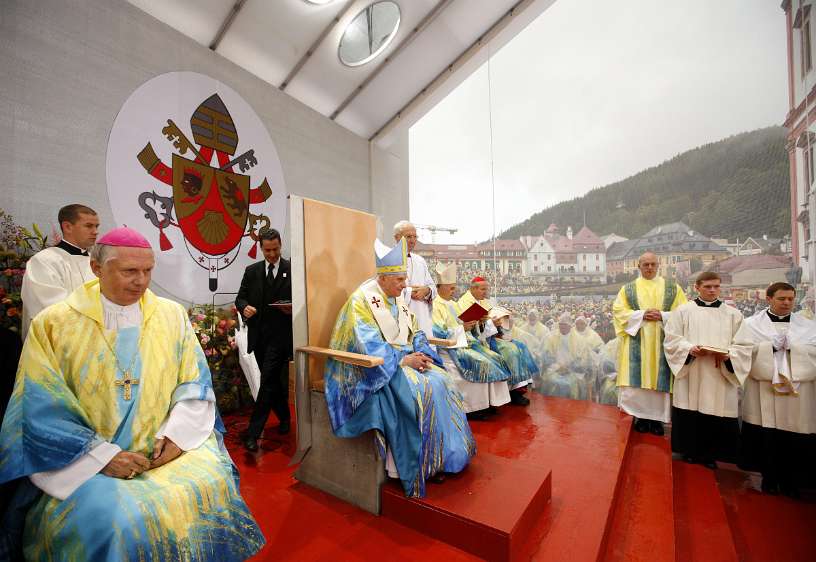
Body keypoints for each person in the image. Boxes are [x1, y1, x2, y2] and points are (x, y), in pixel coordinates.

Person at [0, 227, 264, 561]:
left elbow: (193, 383)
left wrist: (177, 436)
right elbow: (39, 407)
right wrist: (102, 457)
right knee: (120, 523)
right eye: (129, 271)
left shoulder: (170, 315)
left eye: (148, 271)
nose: (141, 282)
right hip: (83, 460)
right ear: (97, 268)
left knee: (214, 483)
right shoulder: (54, 324)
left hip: (162, 445)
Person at [323, 238, 475, 498]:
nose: (405, 285)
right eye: (400, 280)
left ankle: (446, 456)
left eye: (405, 279)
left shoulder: (396, 297)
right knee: (422, 390)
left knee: (442, 380)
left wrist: (421, 352)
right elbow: (366, 344)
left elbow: (415, 330)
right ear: (382, 278)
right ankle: (421, 464)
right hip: (372, 370)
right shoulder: (362, 301)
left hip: (402, 359)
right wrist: (404, 360)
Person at [735, 282, 816, 497]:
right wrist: (768, 348)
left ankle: (791, 482)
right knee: (767, 437)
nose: (787, 303)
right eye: (781, 299)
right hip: (764, 389)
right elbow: (742, 352)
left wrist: (794, 348)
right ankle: (768, 479)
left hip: (797, 394)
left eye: (791, 299)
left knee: (794, 438)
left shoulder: (808, 326)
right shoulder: (750, 325)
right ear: (769, 299)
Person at [663, 272, 751, 468]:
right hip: (692, 371)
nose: (712, 290)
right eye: (708, 286)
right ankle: (690, 452)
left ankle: (711, 455)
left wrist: (729, 355)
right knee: (690, 409)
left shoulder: (733, 314)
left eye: (716, 286)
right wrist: (688, 349)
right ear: (697, 287)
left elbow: (744, 345)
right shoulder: (683, 311)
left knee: (715, 410)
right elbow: (671, 340)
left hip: (719, 373)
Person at [613, 252, 687, 435]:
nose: (650, 267)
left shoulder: (673, 288)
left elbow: (684, 313)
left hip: (662, 341)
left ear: (658, 265)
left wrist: (663, 315)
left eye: (653, 264)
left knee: (658, 381)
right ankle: (640, 418)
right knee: (637, 381)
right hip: (636, 341)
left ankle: (656, 421)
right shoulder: (628, 289)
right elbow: (618, 311)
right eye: (646, 264)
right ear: (639, 266)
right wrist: (641, 315)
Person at [235, 228, 293, 451]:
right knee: (272, 382)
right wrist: (244, 308)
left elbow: (303, 299)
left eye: (275, 249)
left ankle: (253, 433)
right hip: (259, 337)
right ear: (261, 248)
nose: (272, 254)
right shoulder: (252, 271)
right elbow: (240, 298)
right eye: (267, 250)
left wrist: (292, 308)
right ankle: (284, 417)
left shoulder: (292, 270)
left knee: (267, 380)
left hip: (281, 337)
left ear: (281, 245)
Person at [431, 262, 510, 419]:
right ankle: (474, 408)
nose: (454, 291)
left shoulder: (453, 304)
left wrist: (479, 321)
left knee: (494, 358)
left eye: (454, 288)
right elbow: (438, 333)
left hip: (467, 342)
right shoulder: (434, 305)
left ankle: (491, 402)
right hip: (451, 348)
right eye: (451, 288)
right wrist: (463, 328)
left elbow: (466, 324)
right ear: (440, 287)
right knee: (482, 363)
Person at [20, 204, 99, 337]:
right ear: (67, 227)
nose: (95, 231)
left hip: (96, 340)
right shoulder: (44, 261)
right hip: (57, 341)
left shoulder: (96, 263)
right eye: (89, 226)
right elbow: (52, 310)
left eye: (97, 226)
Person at [485, 306, 539, 405]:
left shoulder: (486, 304)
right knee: (513, 351)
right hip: (488, 342)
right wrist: (491, 324)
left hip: (497, 339)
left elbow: (502, 329)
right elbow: (482, 330)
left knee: (521, 346)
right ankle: (514, 391)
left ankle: (520, 387)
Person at [537, 313, 596, 400]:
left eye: (565, 325)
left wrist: (569, 368)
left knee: (571, 384)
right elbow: (546, 356)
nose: (562, 327)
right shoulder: (551, 338)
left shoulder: (579, 339)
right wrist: (557, 367)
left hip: (574, 371)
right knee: (551, 381)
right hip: (554, 369)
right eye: (561, 324)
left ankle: (572, 405)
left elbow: (583, 360)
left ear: (570, 326)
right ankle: (552, 403)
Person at [393, 221, 436, 339]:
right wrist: (409, 292)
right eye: (408, 237)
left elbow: (432, 287)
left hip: (422, 317)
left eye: (414, 237)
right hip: (400, 317)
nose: (412, 240)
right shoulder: (388, 260)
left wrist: (426, 291)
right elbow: (384, 289)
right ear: (397, 237)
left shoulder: (420, 261)